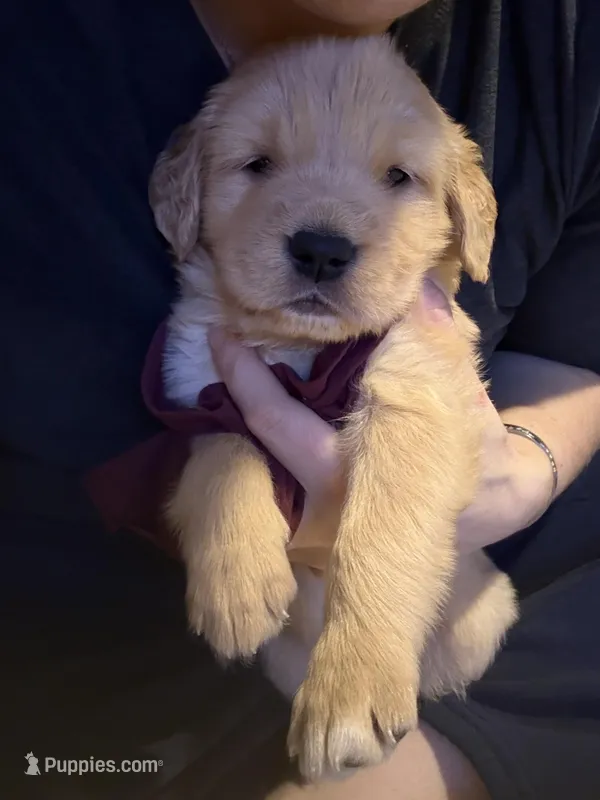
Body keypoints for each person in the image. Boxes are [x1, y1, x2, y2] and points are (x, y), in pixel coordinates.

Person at [1, 0, 599, 798]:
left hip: (474, 674)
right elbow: (202, 424)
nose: (324, 235)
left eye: (398, 178)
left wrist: (524, 469)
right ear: (187, 193)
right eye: (258, 165)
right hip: (103, 717)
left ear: (461, 212)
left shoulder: (562, 37)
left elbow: (567, 356)